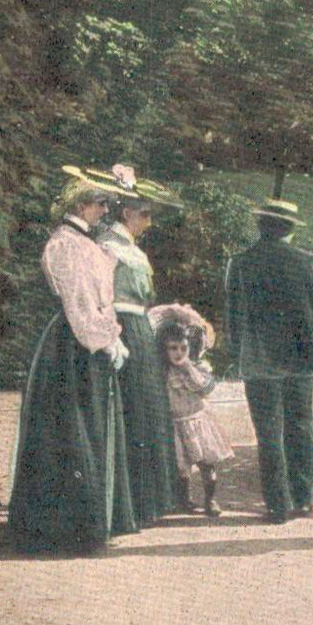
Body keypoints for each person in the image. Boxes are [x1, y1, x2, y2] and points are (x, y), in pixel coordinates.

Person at [8, 168, 138, 553]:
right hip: (71, 345)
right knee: (71, 427)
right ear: (81, 204)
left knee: (87, 424)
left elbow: (98, 298)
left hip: (81, 342)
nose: (105, 211)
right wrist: (107, 340)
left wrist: (110, 335)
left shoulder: (85, 243)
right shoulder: (66, 244)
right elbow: (80, 305)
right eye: (101, 204)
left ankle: (89, 521)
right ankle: (66, 528)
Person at [225, 198, 313, 524]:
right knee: (300, 427)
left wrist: (237, 352)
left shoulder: (240, 263)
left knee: (269, 433)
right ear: (290, 229)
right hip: (300, 359)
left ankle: (277, 504)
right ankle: (302, 497)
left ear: (261, 225)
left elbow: (232, 316)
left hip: (258, 360)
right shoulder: (307, 261)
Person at [97, 186, 179, 526]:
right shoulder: (108, 246)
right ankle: (125, 506)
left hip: (141, 330)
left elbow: (146, 297)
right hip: (122, 329)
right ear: (126, 213)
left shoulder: (133, 250)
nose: (149, 221)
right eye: (144, 213)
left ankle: (148, 503)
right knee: (130, 410)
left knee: (147, 411)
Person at [158, 320, 232, 515]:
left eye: (183, 348)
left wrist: (188, 367)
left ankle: (210, 499)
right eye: (173, 348)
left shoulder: (197, 368)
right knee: (181, 466)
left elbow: (206, 388)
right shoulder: (163, 372)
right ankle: (184, 500)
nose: (179, 353)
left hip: (197, 422)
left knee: (206, 463)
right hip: (175, 423)